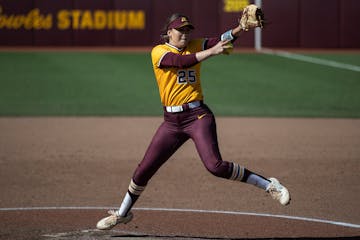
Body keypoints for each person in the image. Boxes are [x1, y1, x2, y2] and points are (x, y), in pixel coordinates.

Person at [96, 13, 290, 230]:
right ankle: (122, 214)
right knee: (144, 170)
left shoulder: (195, 45)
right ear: (169, 32)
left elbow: (220, 40)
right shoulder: (159, 52)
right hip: (171, 122)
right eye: (181, 30)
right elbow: (180, 62)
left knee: (215, 166)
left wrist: (240, 29)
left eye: (188, 30)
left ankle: (270, 185)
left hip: (197, 116)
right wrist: (210, 52)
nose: (185, 34)